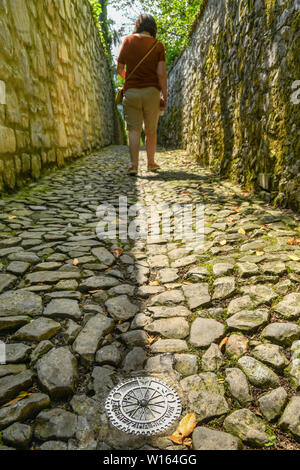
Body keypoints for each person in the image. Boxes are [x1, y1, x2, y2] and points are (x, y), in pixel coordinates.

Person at [117, 13, 167, 176]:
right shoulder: (158, 46)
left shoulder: (127, 41)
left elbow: (119, 69)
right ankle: (151, 163)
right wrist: (164, 95)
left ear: (138, 25)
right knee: (151, 130)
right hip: (152, 92)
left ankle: (133, 165)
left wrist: (130, 78)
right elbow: (161, 74)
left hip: (131, 91)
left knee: (134, 130)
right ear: (153, 27)